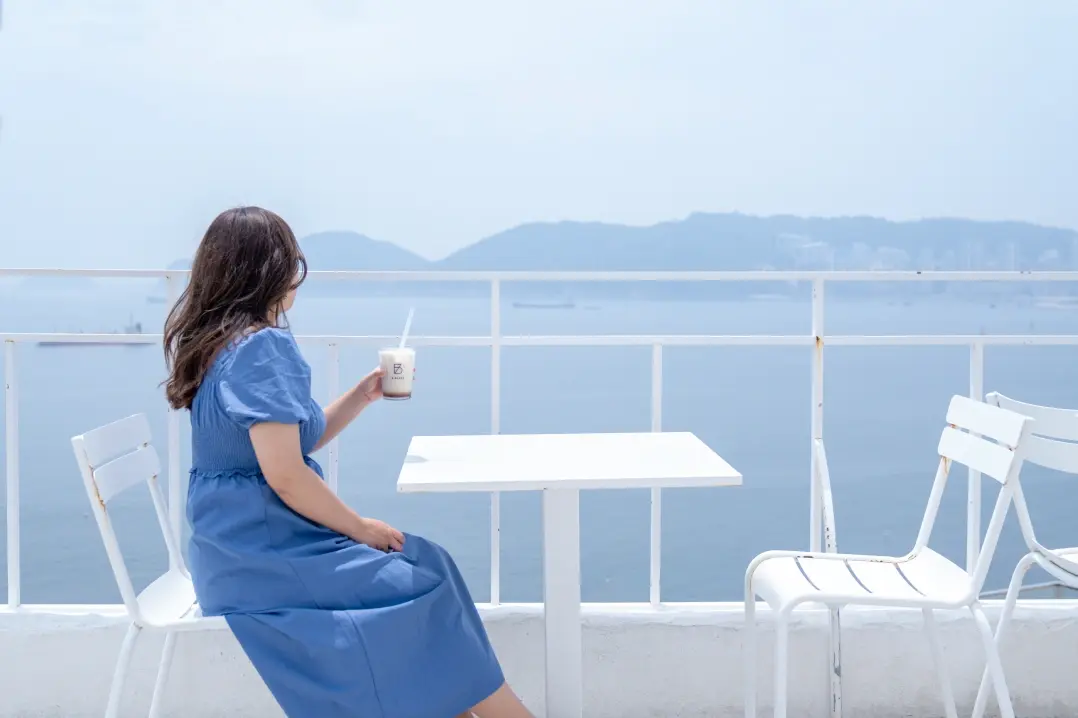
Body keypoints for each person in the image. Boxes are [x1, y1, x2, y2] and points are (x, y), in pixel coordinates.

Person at [163, 206, 533, 718]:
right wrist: (361, 528)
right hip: (263, 553)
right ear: (272, 271)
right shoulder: (261, 349)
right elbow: (287, 476)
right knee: (424, 575)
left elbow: (286, 446)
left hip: (230, 546)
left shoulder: (216, 344)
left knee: (425, 567)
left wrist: (362, 394)